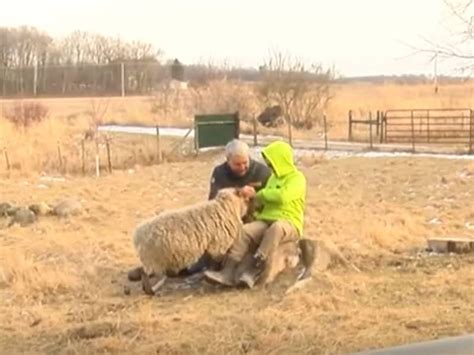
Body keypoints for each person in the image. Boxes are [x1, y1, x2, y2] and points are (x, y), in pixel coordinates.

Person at [127, 139, 271, 282]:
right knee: (198, 242)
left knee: (224, 246)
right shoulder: (220, 173)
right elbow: (214, 200)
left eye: (245, 163)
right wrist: (237, 193)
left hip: (253, 217)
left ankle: (216, 269)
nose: (243, 167)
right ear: (228, 160)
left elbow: (271, 197)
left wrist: (254, 197)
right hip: (226, 219)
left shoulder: (262, 173)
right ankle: (156, 268)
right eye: (237, 164)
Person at [204, 140, 307, 288]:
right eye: (269, 163)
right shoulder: (272, 178)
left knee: (276, 229)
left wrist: (258, 194)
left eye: (272, 163)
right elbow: (262, 201)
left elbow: (282, 196)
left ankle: (254, 269)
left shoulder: (297, 179)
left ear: (281, 161)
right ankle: (228, 271)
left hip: (289, 222)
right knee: (245, 231)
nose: (270, 166)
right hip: (267, 219)